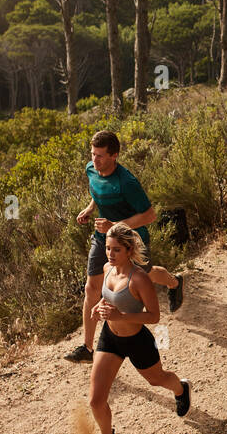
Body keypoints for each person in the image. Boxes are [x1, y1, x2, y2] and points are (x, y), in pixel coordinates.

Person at [65, 129, 184, 363]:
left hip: (132, 240)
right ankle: (88, 348)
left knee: (147, 276)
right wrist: (90, 209)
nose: (94, 160)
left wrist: (114, 224)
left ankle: (175, 282)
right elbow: (96, 190)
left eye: (100, 156)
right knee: (92, 288)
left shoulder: (127, 182)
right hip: (103, 239)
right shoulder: (92, 169)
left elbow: (149, 215)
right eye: (92, 154)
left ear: (114, 156)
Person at [86, 221, 191, 434]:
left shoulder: (139, 279)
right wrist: (97, 308)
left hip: (137, 340)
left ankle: (181, 389)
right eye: (108, 248)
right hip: (110, 338)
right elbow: (106, 298)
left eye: (116, 250)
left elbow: (154, 316)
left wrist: (122, 316)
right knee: (95, 400)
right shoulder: (107, 268)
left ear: (129, 251)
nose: (110, 254)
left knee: (158, 379)